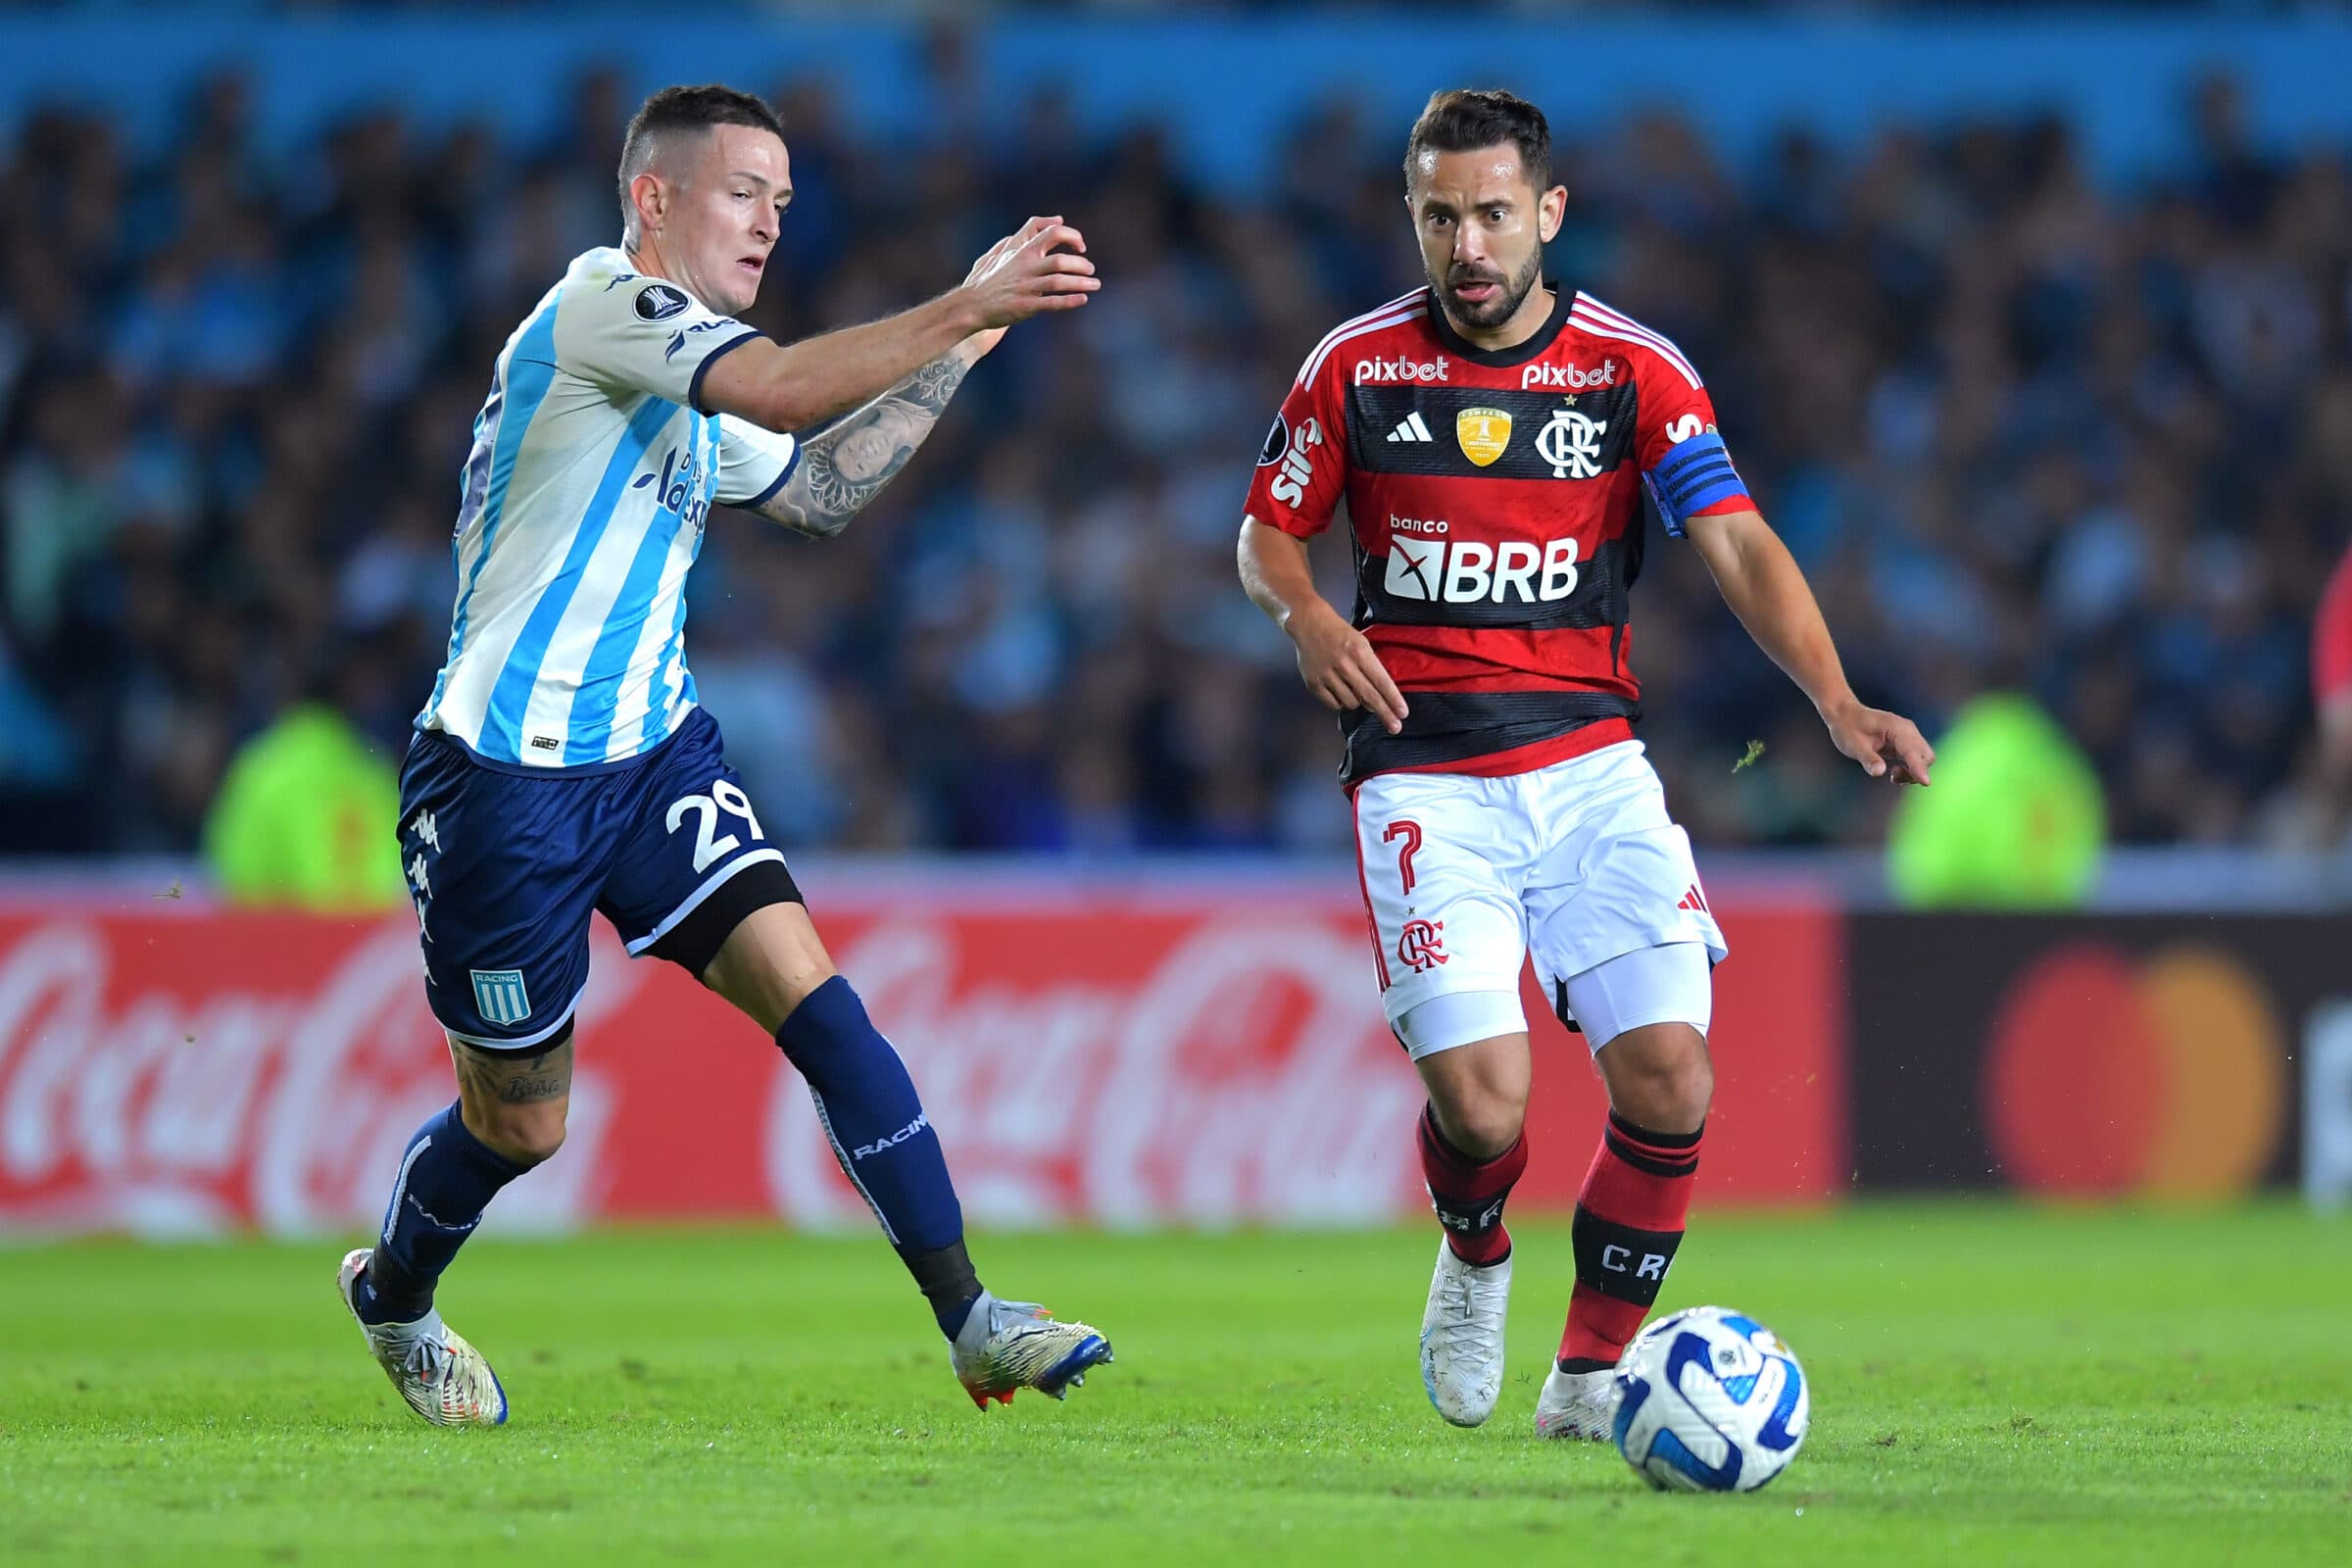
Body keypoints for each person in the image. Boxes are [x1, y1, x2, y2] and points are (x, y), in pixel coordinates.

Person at [340, 84, 1112, 1426]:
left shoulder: (683, 368)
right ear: (654, 198)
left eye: (785, 200)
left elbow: (817, 487)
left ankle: (973, 1319)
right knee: (523, 1125)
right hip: (502, 781)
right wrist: (965, 302)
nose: (771, 220)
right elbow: (773, 380)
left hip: (650, 755)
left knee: (818, 1002)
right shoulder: (599, 312)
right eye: (746, 190)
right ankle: (393, 1295)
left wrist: (965, 350)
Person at [1237, 89, 1931, 1442]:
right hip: (1423, 772)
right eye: (1440, 216)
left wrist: (1837, 698)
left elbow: (1734, 539)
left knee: (1671, 1076)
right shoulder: (1357, 366)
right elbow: (1266, 533)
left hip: (1592, 764)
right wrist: (1308, 613)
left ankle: (1590, 1375)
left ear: (1548, 213)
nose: (1468, 243)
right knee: (1486, 1109)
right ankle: (1475, 1252)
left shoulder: (1632, 370)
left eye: (1494, 212)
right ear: (1414, 218)